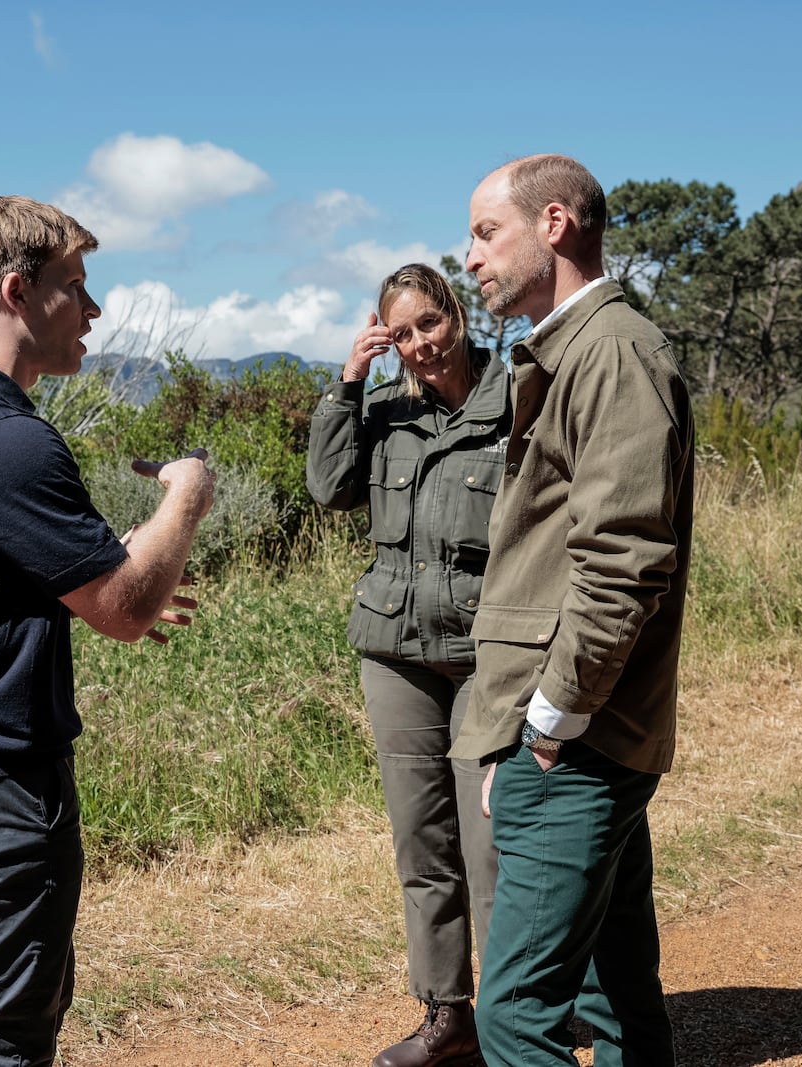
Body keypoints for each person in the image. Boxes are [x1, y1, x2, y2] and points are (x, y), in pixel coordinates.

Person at [0, 195, 216, 1067]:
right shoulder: (7, 438)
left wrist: (112, 571)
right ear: (18, 292)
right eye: (77, 285)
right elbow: (127, 612)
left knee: (21, 1006)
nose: (93, 309)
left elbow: (4, 579)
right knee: (2, 1043)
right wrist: (187, 492)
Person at [449, 156, 695, 1067]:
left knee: (515, 1013)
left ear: (554, 223)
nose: (470, 256)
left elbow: (624, 559)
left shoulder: (612, 352)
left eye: (485, 232)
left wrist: (546, 725)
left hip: (578, 740)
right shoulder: (576, 349)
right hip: (582, 732)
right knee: (616, 985)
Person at [306, 263, 512, 1067]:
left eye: (430, 323)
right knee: (422, 845)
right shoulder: (384, 409)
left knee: (489, 843)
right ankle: (445, 1015)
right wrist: (349, 383)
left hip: (485, 653)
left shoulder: (515, 402)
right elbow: (328, 488)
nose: (421, 345)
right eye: (401, 333)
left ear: (457, 315)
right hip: (395, 653)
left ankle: (509, 1018)